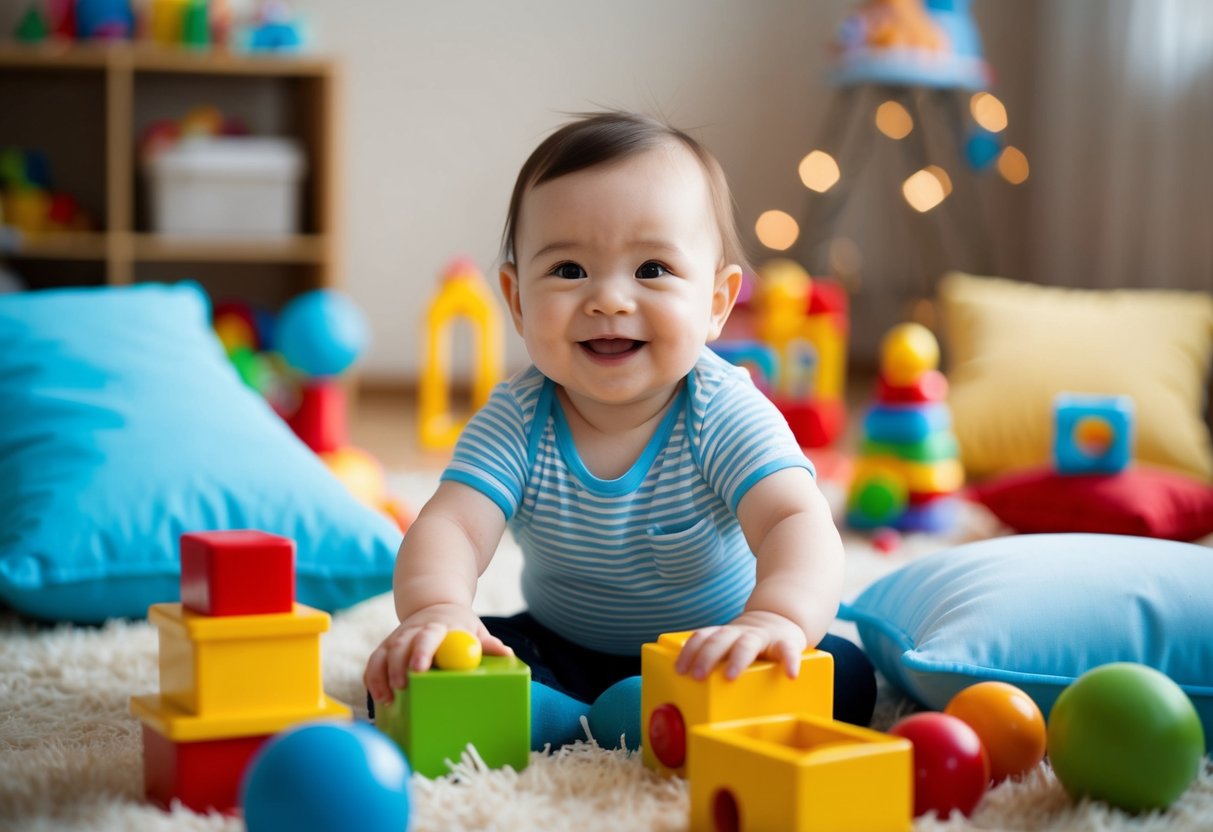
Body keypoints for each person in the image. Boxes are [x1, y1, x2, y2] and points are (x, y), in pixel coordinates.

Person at [365, 111, 873, 728]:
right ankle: (609, 721)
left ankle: (586, 721)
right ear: (519, 301)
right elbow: (453, 527)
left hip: (710, 654)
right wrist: (437, 610)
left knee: (843, 673)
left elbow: (795, 519)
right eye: (569, 270)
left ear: (716, 304)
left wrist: (775, 618)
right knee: (408, 674)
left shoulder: (722, 409)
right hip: (559, 647)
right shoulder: (518, 416)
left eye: (651, 270)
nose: (609, 298)